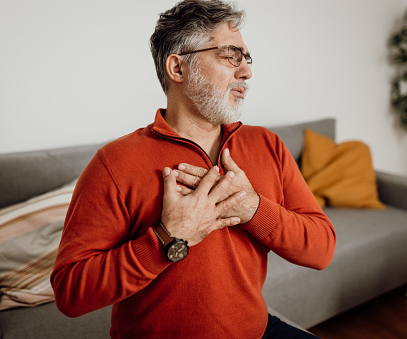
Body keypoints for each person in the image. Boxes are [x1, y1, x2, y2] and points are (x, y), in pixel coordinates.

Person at [51, 0, 336, 338]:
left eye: (246, 59)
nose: (245, 71)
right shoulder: (114, 163)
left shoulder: (266, 144)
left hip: (258, 332)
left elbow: (322, 249)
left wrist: (253, 208)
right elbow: (70, 292)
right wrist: (167, 238)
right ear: (178, 68)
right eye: (230, 55)